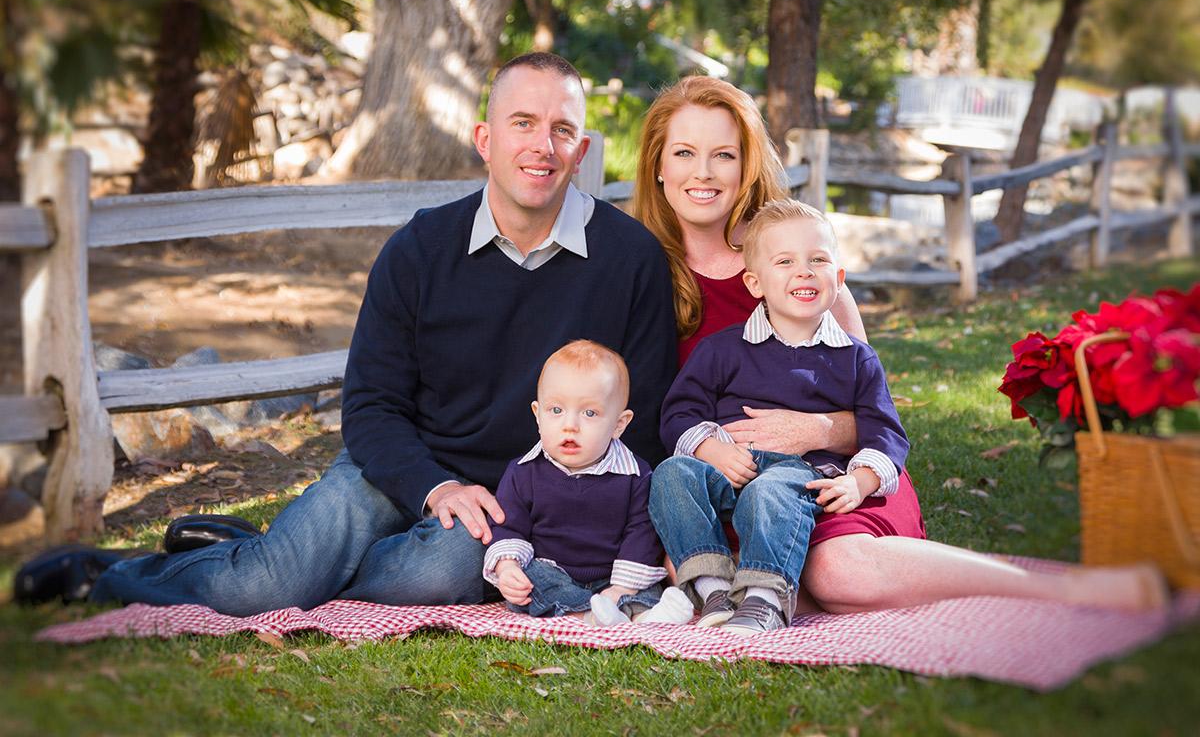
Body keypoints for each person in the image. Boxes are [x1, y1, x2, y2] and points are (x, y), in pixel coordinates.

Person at [16, 52, 678, 616]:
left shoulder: (629, 259)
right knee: (269, 584)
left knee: (438, 576)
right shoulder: (419, 249)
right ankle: (107, 572)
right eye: (523, 124)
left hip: (515, 501)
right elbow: (370, 405)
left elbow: (638, 422)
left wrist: (574, 518)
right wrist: (432, 485)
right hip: (398, 465)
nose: (543, 146)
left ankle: (276, 558)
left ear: (582, 149)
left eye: (563, 129)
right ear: (484, 138)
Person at [633, 75, 1168, 616]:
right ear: (658, 164)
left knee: (838, 573)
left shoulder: (795, 264)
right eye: (684, 152)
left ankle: (1059, 592)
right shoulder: (638, 271)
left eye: (723, 154)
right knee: (690, 563)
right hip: (725, 479)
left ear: (746, 165)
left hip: (829, 472)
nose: (702, 172)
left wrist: (815, 430)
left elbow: (867, 403)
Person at [653, 200, 910, 634]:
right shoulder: (722, 349)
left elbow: (884, 431)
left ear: (839, 278)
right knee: (672, 473)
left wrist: (859, 480)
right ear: (754, 282)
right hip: (730, 470)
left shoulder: (854, 358)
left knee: (770, 489)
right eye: (785, 261)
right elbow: (679, 411)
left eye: (818, 260)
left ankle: (764, 599)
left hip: (801, 478)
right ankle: (712, 588)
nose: (804, 271)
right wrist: (713, 450)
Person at [484, 340, 692, 626]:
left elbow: (641, 533)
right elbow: (509, 526)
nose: (570, 425)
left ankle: (645, 614)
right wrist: (507, 567)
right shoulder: (523, 472)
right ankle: (588, 615)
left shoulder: (635, 476)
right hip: (555, 570)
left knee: (646, 582)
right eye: (556, 410)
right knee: (534, 580)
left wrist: (620, 587)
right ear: (537, 415)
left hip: (613, 573)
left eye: (589, 413)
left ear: (619, 424)